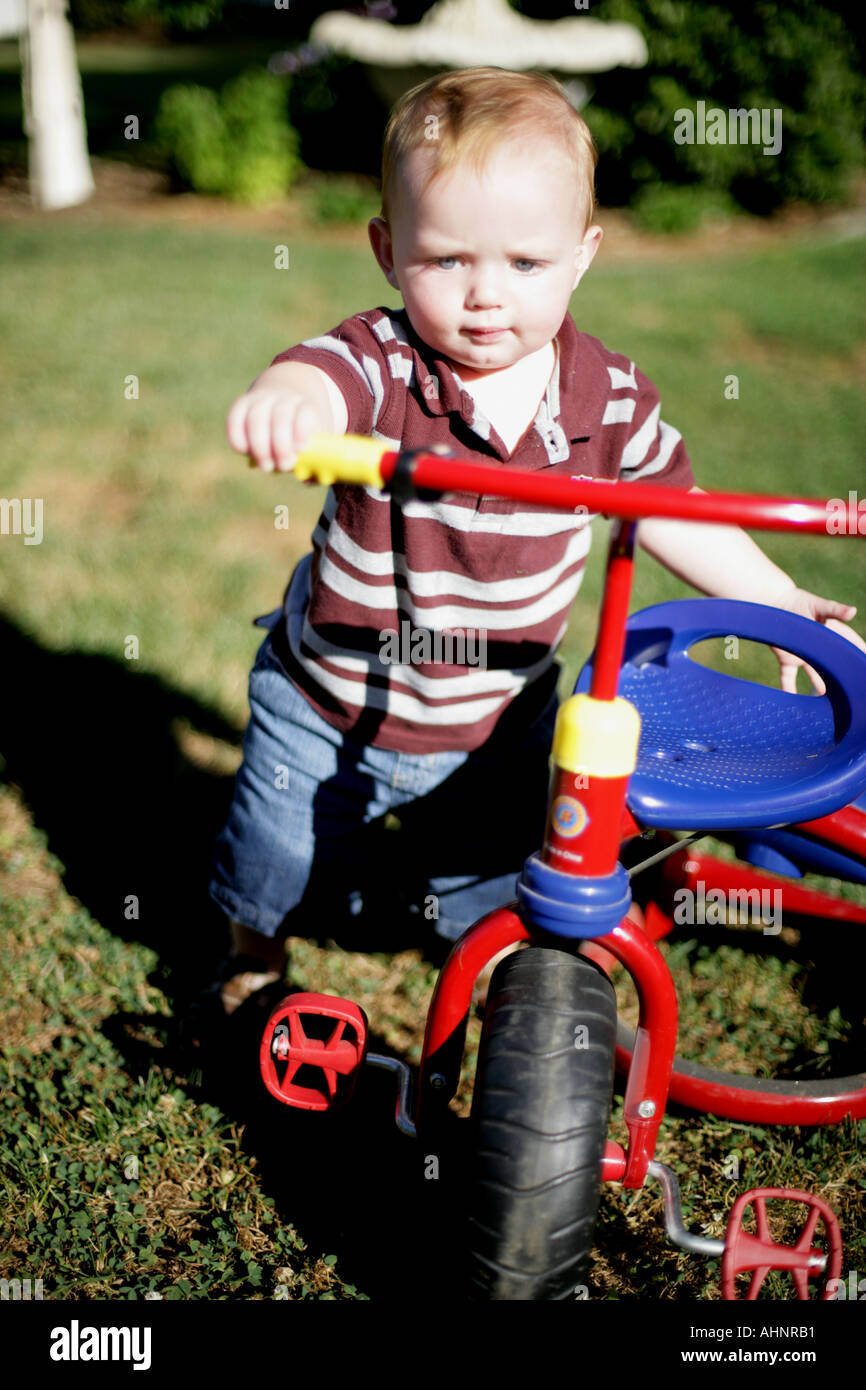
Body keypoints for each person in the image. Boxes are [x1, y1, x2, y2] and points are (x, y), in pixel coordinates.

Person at [206, 66, 861, 1018]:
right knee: (277, 851)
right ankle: (252, 957)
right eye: (447, 261)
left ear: (582, 256)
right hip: (332, 698)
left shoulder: (607, 404)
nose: (484, 297)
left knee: (486, 877)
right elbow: (318, 374)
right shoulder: (386, 364)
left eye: (525, 265)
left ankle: (498, 964)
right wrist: (287, 404)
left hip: (498, 713)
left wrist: (778, 600)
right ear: (389, 252)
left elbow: (674, 509)